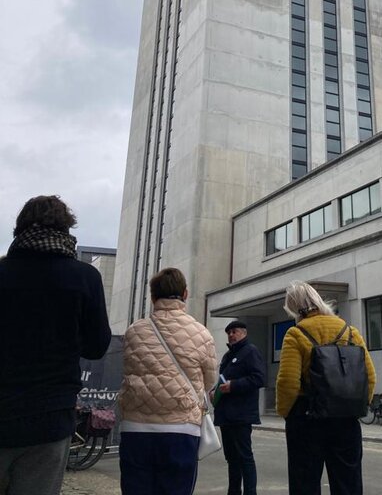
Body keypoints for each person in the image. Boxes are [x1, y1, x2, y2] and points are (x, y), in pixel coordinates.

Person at [0, 195, 111, 495]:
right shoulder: (85, 277)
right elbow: (96, 346)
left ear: (19, 228)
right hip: (50, 416)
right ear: (67, 228)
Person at [118, 267, 217, 495]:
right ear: (185, 294)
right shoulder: (201, 333)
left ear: (153, 297)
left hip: (136, 427)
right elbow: (209, 380)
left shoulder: (134, 331)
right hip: (181, 428)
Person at [276, 281, 376, 495]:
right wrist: (356, 405)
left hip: (307, 418)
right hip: (346, 419)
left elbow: (288, 382)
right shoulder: (350, 331)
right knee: (348, 483)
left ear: (294, 308)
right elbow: (370, 376)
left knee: (305, 482)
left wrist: (286, 413)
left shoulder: (295, 334)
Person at [213, 319, 266, 495]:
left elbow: (259, 378)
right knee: (232, 459)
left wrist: (234, 386)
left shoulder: (250, 351)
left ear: (244, 333)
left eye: (235, 331)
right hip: (226, 415)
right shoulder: (228, 356)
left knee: (244, 457)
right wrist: (215, 392)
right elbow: (222, 380)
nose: (231, 335)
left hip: (241, 414)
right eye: (229, 332)